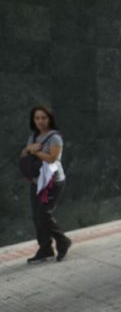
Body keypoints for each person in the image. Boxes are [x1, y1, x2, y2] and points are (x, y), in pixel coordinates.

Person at [21, 106, 71, 263]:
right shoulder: (33, 136)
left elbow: (52, 158)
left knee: (43, 214)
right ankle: (45, 249)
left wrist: (35, 151)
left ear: (50, 119)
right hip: (36, 182)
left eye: (44, 118)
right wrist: (29, 149)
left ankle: (62, 241)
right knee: (36, 217)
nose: (40, 121)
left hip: (52, 182)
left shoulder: (55, 137)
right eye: (37, 118)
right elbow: (24, 154)